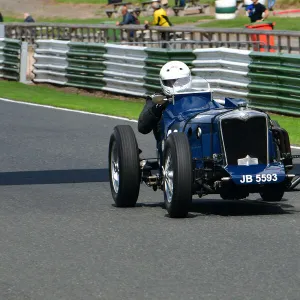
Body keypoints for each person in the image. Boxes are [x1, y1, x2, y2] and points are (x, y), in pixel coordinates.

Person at [138, 61, 192, 142]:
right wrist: (158, 108)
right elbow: (142, 128)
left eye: (180, 81)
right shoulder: (156, 99)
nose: (176, 84)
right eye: (171, 82)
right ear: (163, 82)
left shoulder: (198, 96)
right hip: (168, 145)